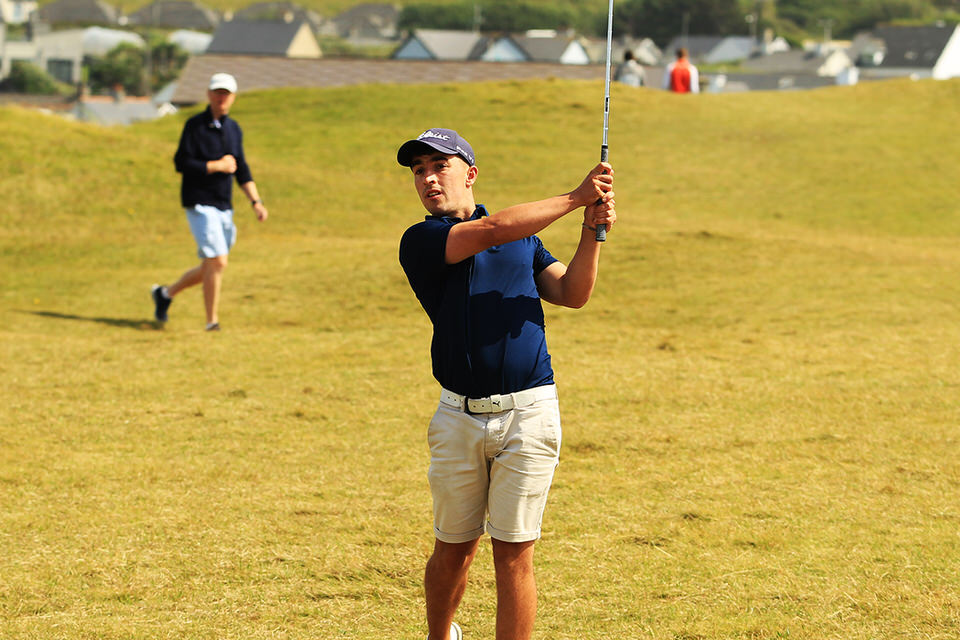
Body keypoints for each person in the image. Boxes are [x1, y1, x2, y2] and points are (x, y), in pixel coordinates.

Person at [396, 128, 616, 640]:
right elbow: (492, 230)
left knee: (514, 550)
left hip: (530, 410)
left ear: (469, 174)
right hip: (458, 416)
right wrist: (575, 197)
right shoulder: (423, 239)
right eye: (419, 170)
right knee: (454, 547)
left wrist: (590, 229)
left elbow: (572, 291)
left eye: (439, 166)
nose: (429, 179)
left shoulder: (526, 237)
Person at [151, 72, 268, 331]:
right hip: (199, 202)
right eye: (217, 93)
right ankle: (211, 322)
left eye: (226, 94)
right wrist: (216, 166)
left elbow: (241, 169)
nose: (221, 98)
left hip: (223, 204)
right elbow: (182, 162)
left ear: (233, 97)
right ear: (208, 95)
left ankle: (165, 294)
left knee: (211, 264)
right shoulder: (194, 126)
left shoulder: (233, 129)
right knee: (219, 261)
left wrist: (256, 202)